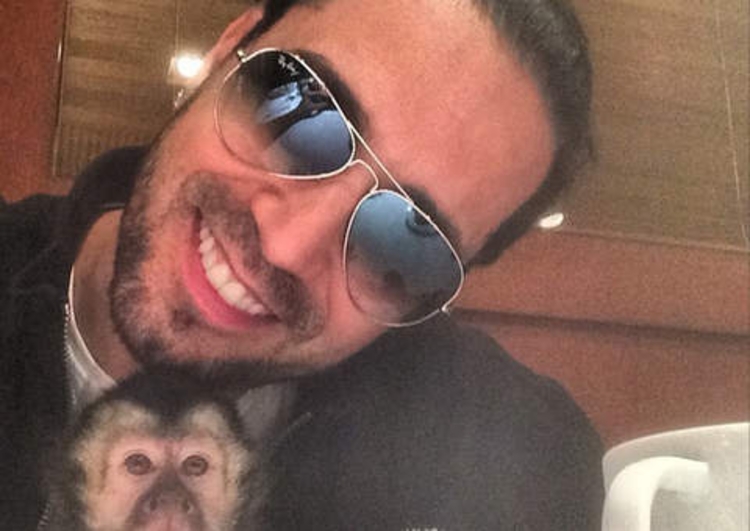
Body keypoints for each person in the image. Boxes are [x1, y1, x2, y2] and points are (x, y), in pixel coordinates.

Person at [0, 0, 603, 529]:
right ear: (223, 54)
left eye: (405, 242)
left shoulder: (518, 464)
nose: (285, 246)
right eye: (297, 117)